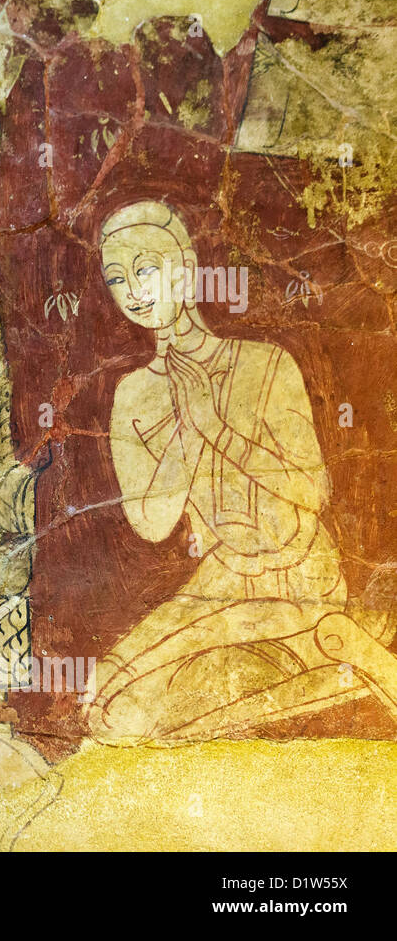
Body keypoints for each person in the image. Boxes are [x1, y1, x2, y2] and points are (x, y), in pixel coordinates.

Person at [85, 199, 397, 744]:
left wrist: (216, 426)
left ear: (182, 268)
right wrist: (186, 431)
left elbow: (311, 488)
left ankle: (323, 639)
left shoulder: (263, 362)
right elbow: (152, 524)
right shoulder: (134, 394)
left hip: (302, 572)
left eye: (146, 269)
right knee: (106, 705)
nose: (133, 290)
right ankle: (323, 657)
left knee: (130, 712)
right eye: (117, 278)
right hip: (222, 580)